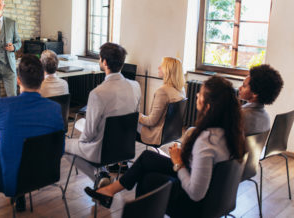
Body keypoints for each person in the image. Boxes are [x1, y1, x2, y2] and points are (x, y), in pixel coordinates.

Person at [85, 76, 246, 217]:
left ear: (209, 107)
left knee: (148, 179)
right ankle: (110, 191)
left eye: (201, 94)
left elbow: (196, 193)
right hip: (218, 198)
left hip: (197, 207)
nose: (197, 95)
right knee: (147, 158)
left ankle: (117, 198)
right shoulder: (233, 133)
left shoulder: (206, 142)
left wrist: (178, 163)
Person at [0, 54, 64, 212]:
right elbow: (59, 148)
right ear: (42, 78)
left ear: (18, 80)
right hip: (44, 173)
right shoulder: (55, 108)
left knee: (3, 149)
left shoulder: (2, 105)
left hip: (12, 177)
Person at [65, 42, 141, 185]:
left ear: (104, 62)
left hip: (102, 151)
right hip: (126, 148)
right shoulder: (135, 86)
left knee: (64, 146)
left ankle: (99, 177)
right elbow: (135, 118)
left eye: (100, 58)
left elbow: (89, 134)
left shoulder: (98, 93)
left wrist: (80, 145)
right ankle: (101, 175)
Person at [138, 57, 185, 145]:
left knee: (127, 121)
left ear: (168, 70)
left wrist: (137, 115)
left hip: (155, 135)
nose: (159, 67)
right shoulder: (181, 90)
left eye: (162, 66)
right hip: (170, 134)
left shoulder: (163, 91)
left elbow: (151, 121)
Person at [239, 64, 283, 134]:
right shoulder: (266, 117)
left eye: (244, 86)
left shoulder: (240, 115)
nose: (239, 88)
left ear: (255, 94)